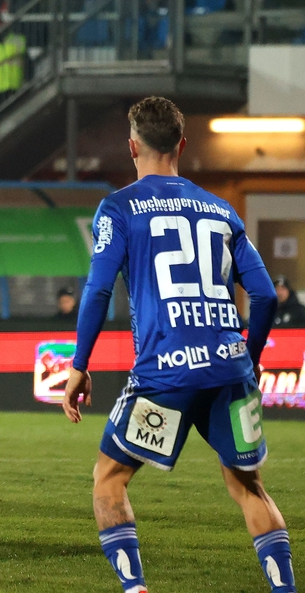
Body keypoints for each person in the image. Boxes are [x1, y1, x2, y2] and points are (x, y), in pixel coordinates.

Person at [63, 96, 294, 593]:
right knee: (248, 486)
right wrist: (245, 361)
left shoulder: (120, 207)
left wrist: (79, 364)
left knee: (110, 480)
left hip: (164, 375)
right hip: (228, 373)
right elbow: (264, 296)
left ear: (132, 147)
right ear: (182, 145)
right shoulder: (221, 208)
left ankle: (136, 588)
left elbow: (99, 291)